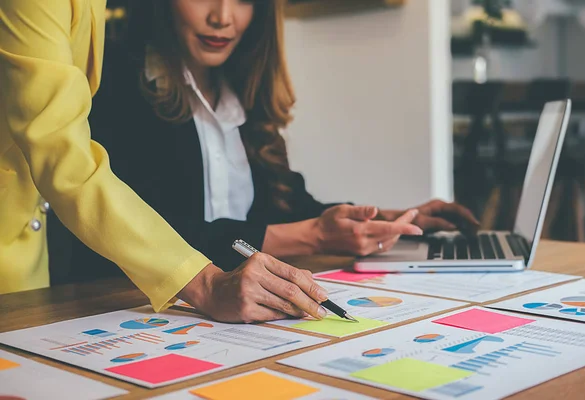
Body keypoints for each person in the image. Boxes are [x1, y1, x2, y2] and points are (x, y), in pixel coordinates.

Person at [54, 0, 479, 283]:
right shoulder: (116, 86)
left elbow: (286, 207)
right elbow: (156, 231)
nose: (223, 17)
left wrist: (392, 219)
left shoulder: (239, 93)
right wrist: (313, 236)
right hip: (124, 310)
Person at [0, 0, 346, 325]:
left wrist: (349, 222)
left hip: (35, 273)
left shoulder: (239, 89)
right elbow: (65, 155)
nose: (222, 17)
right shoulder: (126, 85)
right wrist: (207, 283)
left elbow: (282, 197)